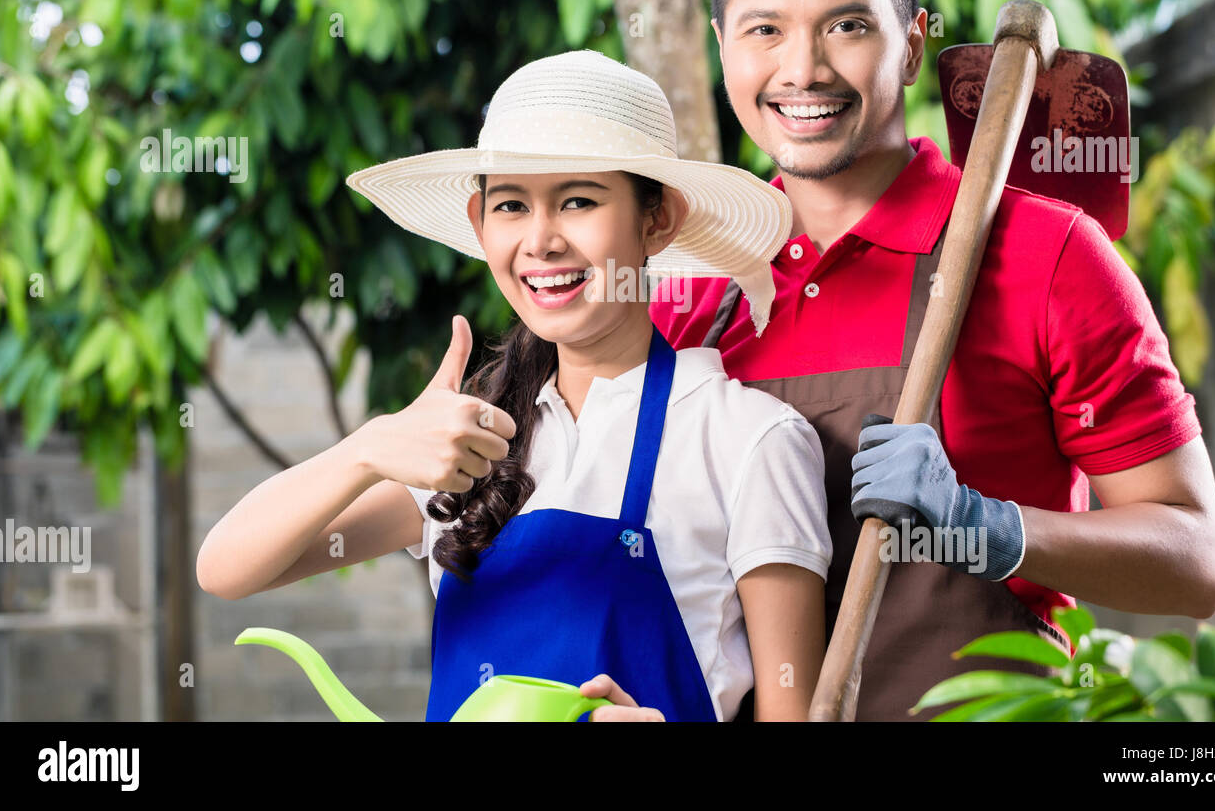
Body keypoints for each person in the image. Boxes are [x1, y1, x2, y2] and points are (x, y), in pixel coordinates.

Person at [650, 0, 1215, 720]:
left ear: (915, 41)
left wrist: (984, 524)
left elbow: (1197, 560)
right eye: (763, 30)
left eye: (847, 25)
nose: (802, 69)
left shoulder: (1048, 254)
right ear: (720, 43)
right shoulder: (695, 288)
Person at [196, 49, 832, 722]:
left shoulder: (747, 439)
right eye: (510, 205)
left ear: (658, 219)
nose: (541, 241)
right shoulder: (469, 444)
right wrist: (370, 447)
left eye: (578, 201)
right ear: (479, 224)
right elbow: (228, 568)